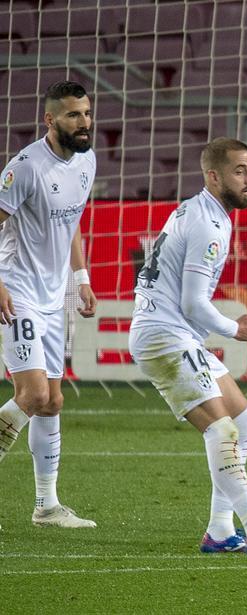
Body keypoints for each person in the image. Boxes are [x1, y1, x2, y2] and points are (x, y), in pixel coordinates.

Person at [128, 137, 247, 556]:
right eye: (239, 171)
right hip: (163, 334)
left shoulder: (206, 212)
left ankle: (219, 529)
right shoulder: (207, 223)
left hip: (175, 333)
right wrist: (234, 328)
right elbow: (193, 302)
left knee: (245, 421)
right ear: (213, 176)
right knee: (221, 427)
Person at [0, 80, 99, 530]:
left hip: (55, 295)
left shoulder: (86, 161)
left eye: (86, 113)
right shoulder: (24, 168)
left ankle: (46, 506)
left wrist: (80, 278)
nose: (83, 123)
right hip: (17, 292)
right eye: (73, 115)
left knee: (53, 401)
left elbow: (72, 220)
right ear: (49, 119)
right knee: (33, 395)